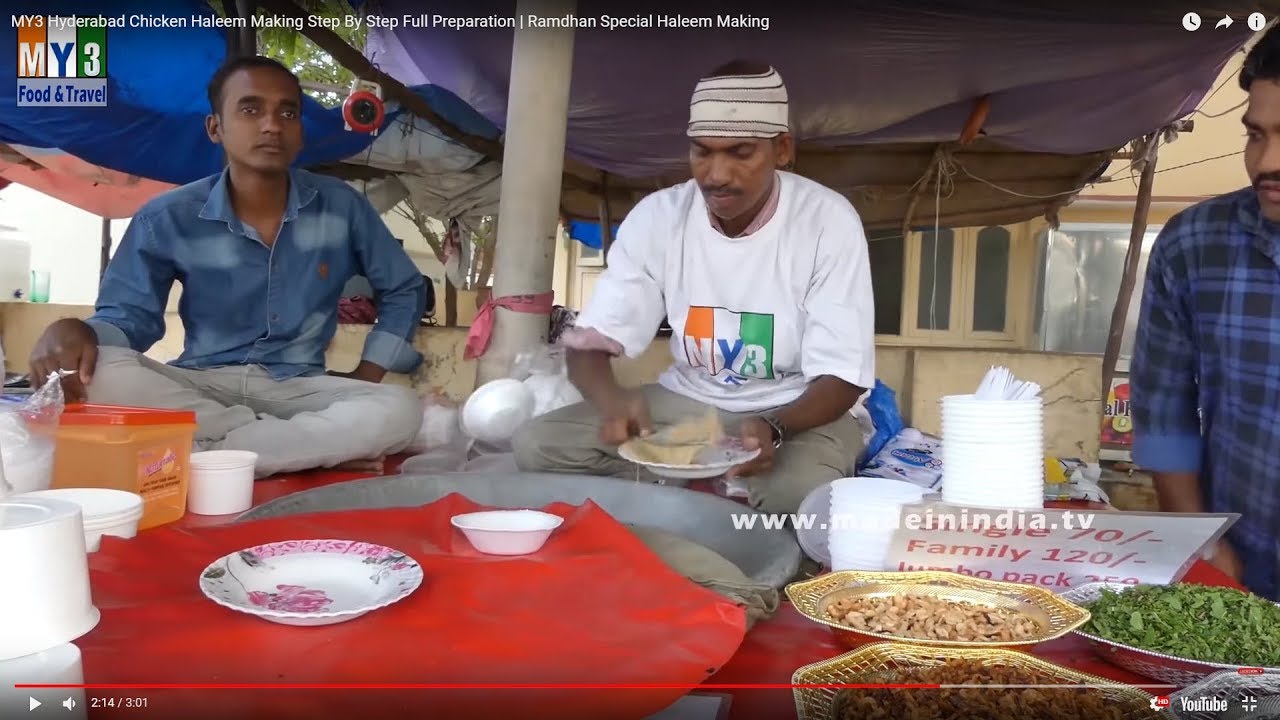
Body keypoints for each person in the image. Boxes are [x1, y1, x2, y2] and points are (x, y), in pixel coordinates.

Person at [28, 56, 426, 477]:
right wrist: (80, 331)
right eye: (251, 109)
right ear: (215, 128)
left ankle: (207, 452)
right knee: (101, 373)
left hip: (297, 387)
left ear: (300, 132)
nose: (271, 124)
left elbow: (404, 287)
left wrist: (368, 372)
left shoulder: (341, 206)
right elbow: (129, 320)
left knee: (399, 408)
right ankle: (284, 449)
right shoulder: (167, 216)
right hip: (200, 384)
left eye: (287, 112)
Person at [513, 61, 874, 515]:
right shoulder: (659, 216)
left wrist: (774, 427)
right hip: (688, 401)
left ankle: (694, 494)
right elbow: (588, 345)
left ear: (782, 149)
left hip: (796, 410)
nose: (716, 174)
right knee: (538, 445)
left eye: (740, 153)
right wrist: (613, 402)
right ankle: (706, 493)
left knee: (794, 500)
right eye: (702, 152)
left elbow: (842, 380)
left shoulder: (827, 221)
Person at [1130, 27, 1280, 600]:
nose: (1267, 162)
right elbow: (1164, 408)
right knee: (1224, 698)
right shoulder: (1195, 245)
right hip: (1239, 572)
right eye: (1255, 134)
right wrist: (1200, 543)